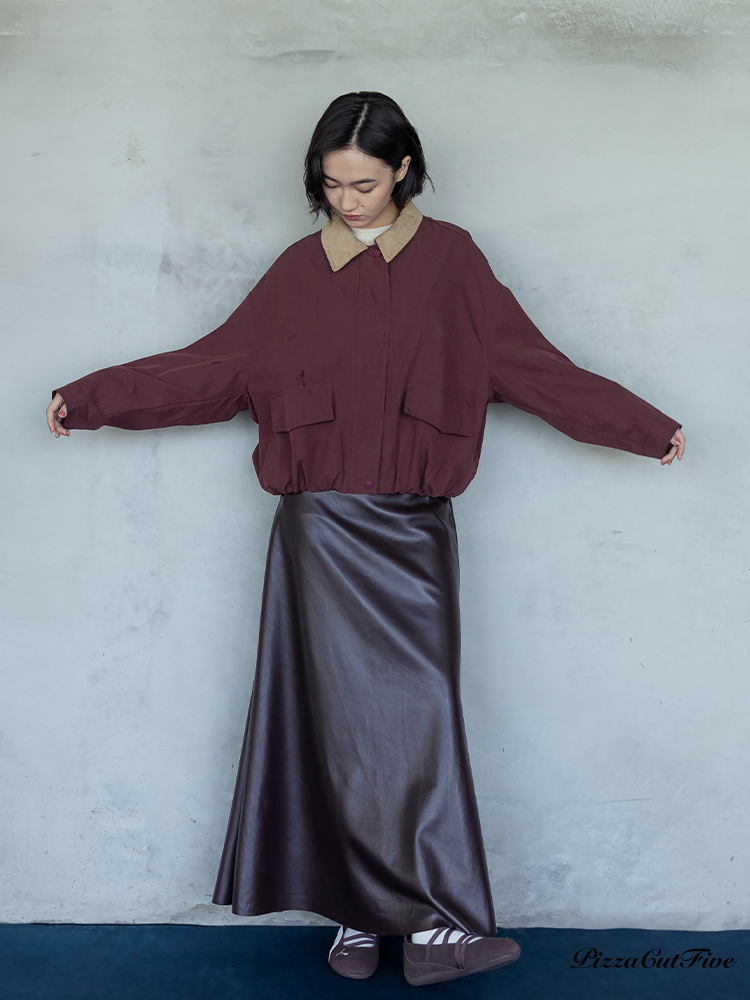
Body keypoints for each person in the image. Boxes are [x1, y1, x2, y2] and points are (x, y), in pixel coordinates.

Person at [46, 91, 686, 988]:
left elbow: (534, 368)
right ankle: (359, 915)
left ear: (404, 171)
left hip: (413, 532)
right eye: (331, 185)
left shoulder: (455, 262)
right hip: (319, 536)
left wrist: (642, 426)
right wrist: (91, 398)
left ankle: (430, 928)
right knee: (336, 733)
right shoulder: (296, 272)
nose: (346, 202)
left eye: (364, 184)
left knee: (418, 723)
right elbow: (211, 369)